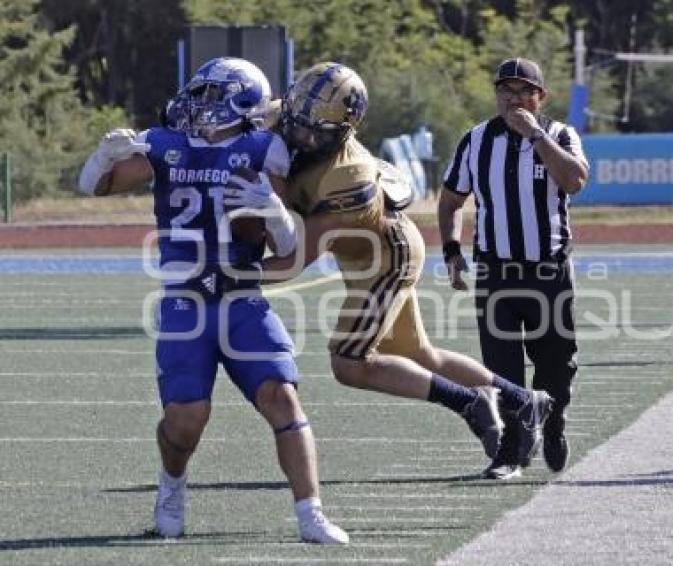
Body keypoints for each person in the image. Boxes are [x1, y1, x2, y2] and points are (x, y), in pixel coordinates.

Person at [77, 57, 348, 544]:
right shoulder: (165, 144)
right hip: (185, 302)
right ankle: (171, 486)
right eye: (198, 93)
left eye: (211, 94)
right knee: (186, 419)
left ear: (242, 100)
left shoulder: (264, 148)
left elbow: (287, 249)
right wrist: (101, 157)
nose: (197, 104)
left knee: (281, 398)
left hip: (241, 298)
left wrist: (274, 213)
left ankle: (311, 513)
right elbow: (89, 186)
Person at [259, 62, 555, 471]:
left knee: (349, 361)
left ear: (345, 130)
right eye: (295, 122)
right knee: (419, 354)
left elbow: (294, 259)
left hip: (384, 255)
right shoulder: (279, 115)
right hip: (362, 248)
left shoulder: (351, 176)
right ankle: (524, 402)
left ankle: (468, 401)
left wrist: (230, 274)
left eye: (316, 131)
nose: (300, 135)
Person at [438, 57, 589, 480]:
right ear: (497, 95)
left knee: (556, 366)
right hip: (496, 272)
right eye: (507, 90)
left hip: (548, 272)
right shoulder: (476, 140)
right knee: (502, 370)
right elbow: (451, 200)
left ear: (541, 97)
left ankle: (554, 420)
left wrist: (536, 135)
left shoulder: (560, 135)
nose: (515, 98)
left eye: (525, 91)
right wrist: (451, 250)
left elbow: (575, 181)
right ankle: (510, 451)